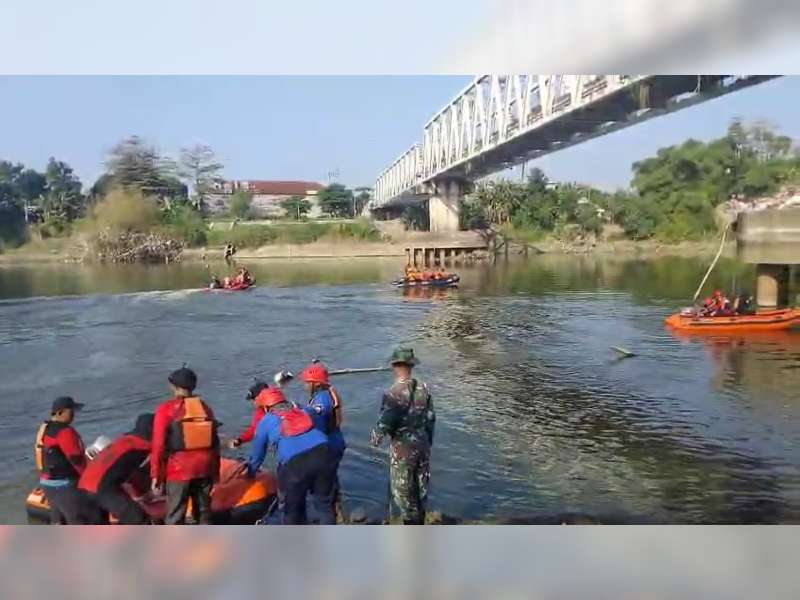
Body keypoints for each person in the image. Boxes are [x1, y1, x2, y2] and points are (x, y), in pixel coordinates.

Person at [246, 387, 335, 525]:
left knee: (291, 510)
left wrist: (250, 472)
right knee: (323, 505)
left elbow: (258, 454)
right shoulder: (302, 410)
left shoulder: (266, 421)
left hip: (295, 464)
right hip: (324, 451)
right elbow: (319, 414)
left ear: (266, 407)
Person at [370, 347, 436, 525]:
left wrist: (375, 439)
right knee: (421, 488)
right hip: (422, 445)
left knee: (403, 493)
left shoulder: (393, 392)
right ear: (411, 365)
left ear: (395, 366)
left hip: (403, 449)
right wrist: (428, 442)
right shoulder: (423, 387)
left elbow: (385, 422)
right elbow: (431, 418)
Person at [151, 368, 220, 525]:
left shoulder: (166, 409)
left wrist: (156, 474)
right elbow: (214, 444)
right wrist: (216, 475)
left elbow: (158, 445)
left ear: (173, 386)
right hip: (205, 467)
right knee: (204, 511)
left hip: (179, 469)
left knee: (176, 513)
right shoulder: (205, 408)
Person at [79, 413, 155, 524]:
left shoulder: (123, 440)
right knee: (137, 517)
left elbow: (125, 469)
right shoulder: (143, 444)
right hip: (101, 487)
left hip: (85, 484)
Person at [34, 396, 100, 524]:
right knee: (80, 520)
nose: (74, 415)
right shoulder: (65, 432)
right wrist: (89, 480)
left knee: (58, 521)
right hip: (66, 486)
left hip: (47, 484)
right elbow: (77, 460)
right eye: (71, 411)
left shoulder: (45, 428)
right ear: (60, 412)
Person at [301, 361, 346, 522]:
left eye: (307, 382)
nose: (305, 386)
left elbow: (317, 424)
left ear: (315, 383)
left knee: (321, 494)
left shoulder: (321, 400)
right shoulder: (329, 393)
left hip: (328, 445)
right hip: (335, 440)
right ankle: (338, 512)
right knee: (331, 481)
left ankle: (329, 521)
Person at [228, 380, 270, 449]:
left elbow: (256, 431)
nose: (253, 403)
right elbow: (254, 430)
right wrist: (240, 440)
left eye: (253, 399)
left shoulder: (266, 411)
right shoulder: (261, 410)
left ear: (260, 397)